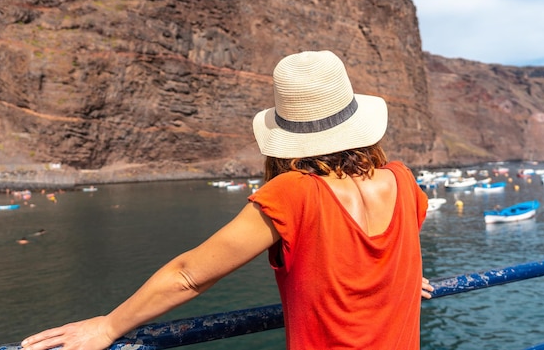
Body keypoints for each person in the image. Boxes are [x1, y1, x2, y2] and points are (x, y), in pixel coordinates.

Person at [21, 50, 433, 350]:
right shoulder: (402, 180)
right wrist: (400, 279)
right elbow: (382, 248)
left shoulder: (293, 193)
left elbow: (189, 275)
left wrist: (107, 327)